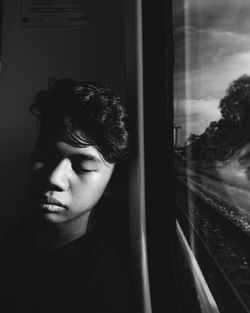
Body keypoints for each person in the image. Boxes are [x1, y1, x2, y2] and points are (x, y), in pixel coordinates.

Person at [0, 78, 133, 313]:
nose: (54, 178)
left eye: (82, 167)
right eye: (45, 153)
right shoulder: (24, 230)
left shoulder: (107, 279)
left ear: (114, 181)